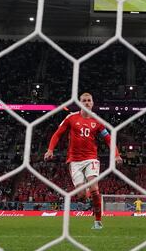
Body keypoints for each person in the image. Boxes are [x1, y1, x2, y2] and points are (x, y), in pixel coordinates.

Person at [44, 92, 122, 230]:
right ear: (80, 103)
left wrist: (116, 154)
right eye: (84, 100)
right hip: (74, 161)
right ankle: (85, 191)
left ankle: (98, 222)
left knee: (94, 188)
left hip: (91, 158)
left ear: (92, 103)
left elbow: (109, 139)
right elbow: (57, 134)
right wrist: (50, 150)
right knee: (81, 196)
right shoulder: (71, 118)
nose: (86, 102)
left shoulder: (97, 122)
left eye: (89, 100)